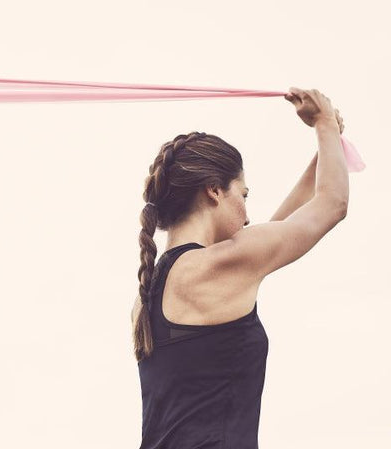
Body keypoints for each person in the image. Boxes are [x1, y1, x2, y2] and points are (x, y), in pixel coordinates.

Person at [131, 87, 348, 449]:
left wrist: (328, 145)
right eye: (243, 195)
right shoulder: (221, 264)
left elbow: (280, 229)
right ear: (214, 191)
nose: (247, 217)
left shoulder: (151, 290)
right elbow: (332, 204)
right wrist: (324, 121)